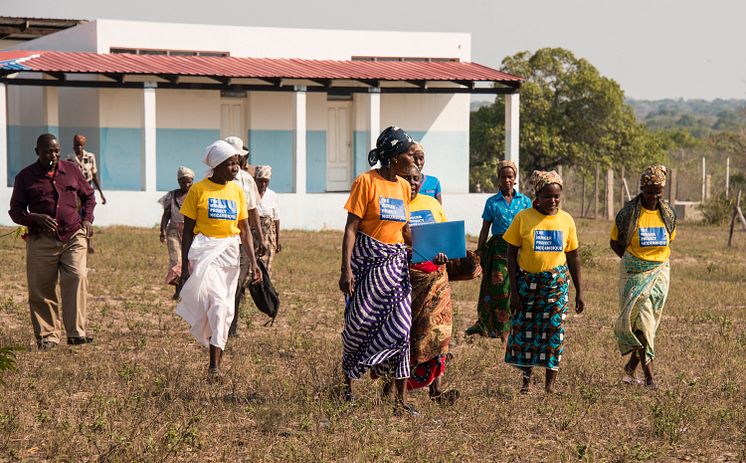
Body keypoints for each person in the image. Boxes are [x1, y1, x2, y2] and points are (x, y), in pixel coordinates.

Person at [339, 126, 418, 416]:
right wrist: (345, 269)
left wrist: (432, 248)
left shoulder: (404, 187)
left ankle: (400, 401)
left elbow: (405, 231)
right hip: (367, 266)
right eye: (409, 153)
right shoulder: (366, 182)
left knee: (401, 329)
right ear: (394, 158)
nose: (413, 158)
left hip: (395, 268)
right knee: (357, 325)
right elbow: (351, 229)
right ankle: (347, 388)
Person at [176, 140, 262, 378]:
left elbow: (244, 228)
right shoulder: (199, 190)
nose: (235, 168)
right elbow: (187, 230)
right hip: (205, 252)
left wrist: (254, 262)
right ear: (216, 165)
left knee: (225, 310)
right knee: (217, 304)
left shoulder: (237, 191)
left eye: (237, 163)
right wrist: (184, 264)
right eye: (230, 163)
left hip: (230, 255)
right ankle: (214, 365)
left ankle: (215, 365)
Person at [9, 133, 96, 349]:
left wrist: (87, 219)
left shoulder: (71, 170)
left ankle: (77, 333)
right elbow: (15, 210)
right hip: (41, 239)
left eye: (56, 151)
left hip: (73, 234)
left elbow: (89, 196)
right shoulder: (25, 177)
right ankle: (47, 336)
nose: (53, 155)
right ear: (37, 151)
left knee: (77, 277)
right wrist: (34, 217)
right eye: (48, 151)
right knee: (41, 288)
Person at [503, 170, 585, 394]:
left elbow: (573, 256)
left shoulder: (566, 220)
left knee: (554, 332)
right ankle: (526, 383)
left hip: (555, 287)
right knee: (526, 332)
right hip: (526, 285)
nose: (553, 201)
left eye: (557, 196)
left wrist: (579, 291)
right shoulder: (523, 218)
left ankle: (549, 387)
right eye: (548, 196)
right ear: (537, 195)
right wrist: (514, 292)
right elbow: (511, 256)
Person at [610, 164, 676, 389]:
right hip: (633, 274)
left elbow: (670, 241)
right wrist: (632, 263)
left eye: (658, 192)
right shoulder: (628, 214)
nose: (653, 196)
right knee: (643, 324)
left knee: (649, 325)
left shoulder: (667, 214)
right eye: (649, 192)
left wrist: (653, 262)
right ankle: (650, 378)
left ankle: (630, 367)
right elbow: (614, 242)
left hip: (659, 274)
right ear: (641, 189)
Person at [396, 163, 458, 404]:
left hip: (436, 277)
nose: (412, 183)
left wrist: (444, 253)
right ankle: (393, 389)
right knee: (407, 334)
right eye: (407, 178)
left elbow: (443, 238)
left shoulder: (432, 204)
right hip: (405, 277)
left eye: (416, 179)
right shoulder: (393, 206)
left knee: (438, 332)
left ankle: (436, 390)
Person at [466, 160, 532, 340]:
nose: (507, 180)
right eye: (503, 177)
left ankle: (516, 328)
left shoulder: (525, 202)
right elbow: (485, 228)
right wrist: (479, 252)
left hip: (519, 250)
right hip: (498, 250)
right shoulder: (492, 202)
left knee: (517, 287)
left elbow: (530, 227)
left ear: (515, 178)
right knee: (498, 290)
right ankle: (490, 326)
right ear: (498, 179)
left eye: (510, 176)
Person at [223, 136, 264, 338]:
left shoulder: (247, 179)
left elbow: (253, 209)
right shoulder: (208, 180)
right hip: (219, 240)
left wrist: (262, 238)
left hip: (241, 240)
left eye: (238, 156)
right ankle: (216, 321)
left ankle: (231, 326)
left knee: (237, 283)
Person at [158, 166, 195, 299]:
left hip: (191, 232)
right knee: (176, 260)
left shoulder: (195, 195)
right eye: (183, 181)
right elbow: (166, 214)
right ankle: (178, 289)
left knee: (190, 261)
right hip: (173, 231)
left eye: (189, 181)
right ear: (179, 181)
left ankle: (187, 288)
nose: (186, 184)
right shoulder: (172, 196)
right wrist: (162, 230)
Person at [66, 134, 105, 253]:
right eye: (77, 145)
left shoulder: (90, 157)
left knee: (88, 215)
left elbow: (94, 176)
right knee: (76, 216)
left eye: (81, 145)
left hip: (87, 191)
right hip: (75, 192)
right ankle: (76, 240)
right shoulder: (69, 159)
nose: (79, 148)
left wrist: (101, 193)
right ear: (73, 146)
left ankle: (88, 242)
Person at [253, 165, 281, 276]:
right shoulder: (251, 193)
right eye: (260, 181)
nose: (263, 184)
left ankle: (264, 290)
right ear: (255, 180)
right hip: (253, 232)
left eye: (266, 181)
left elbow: (276, 218)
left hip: (269, 235)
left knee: (266, 265)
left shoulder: (272, 195)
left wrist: (278, 240)